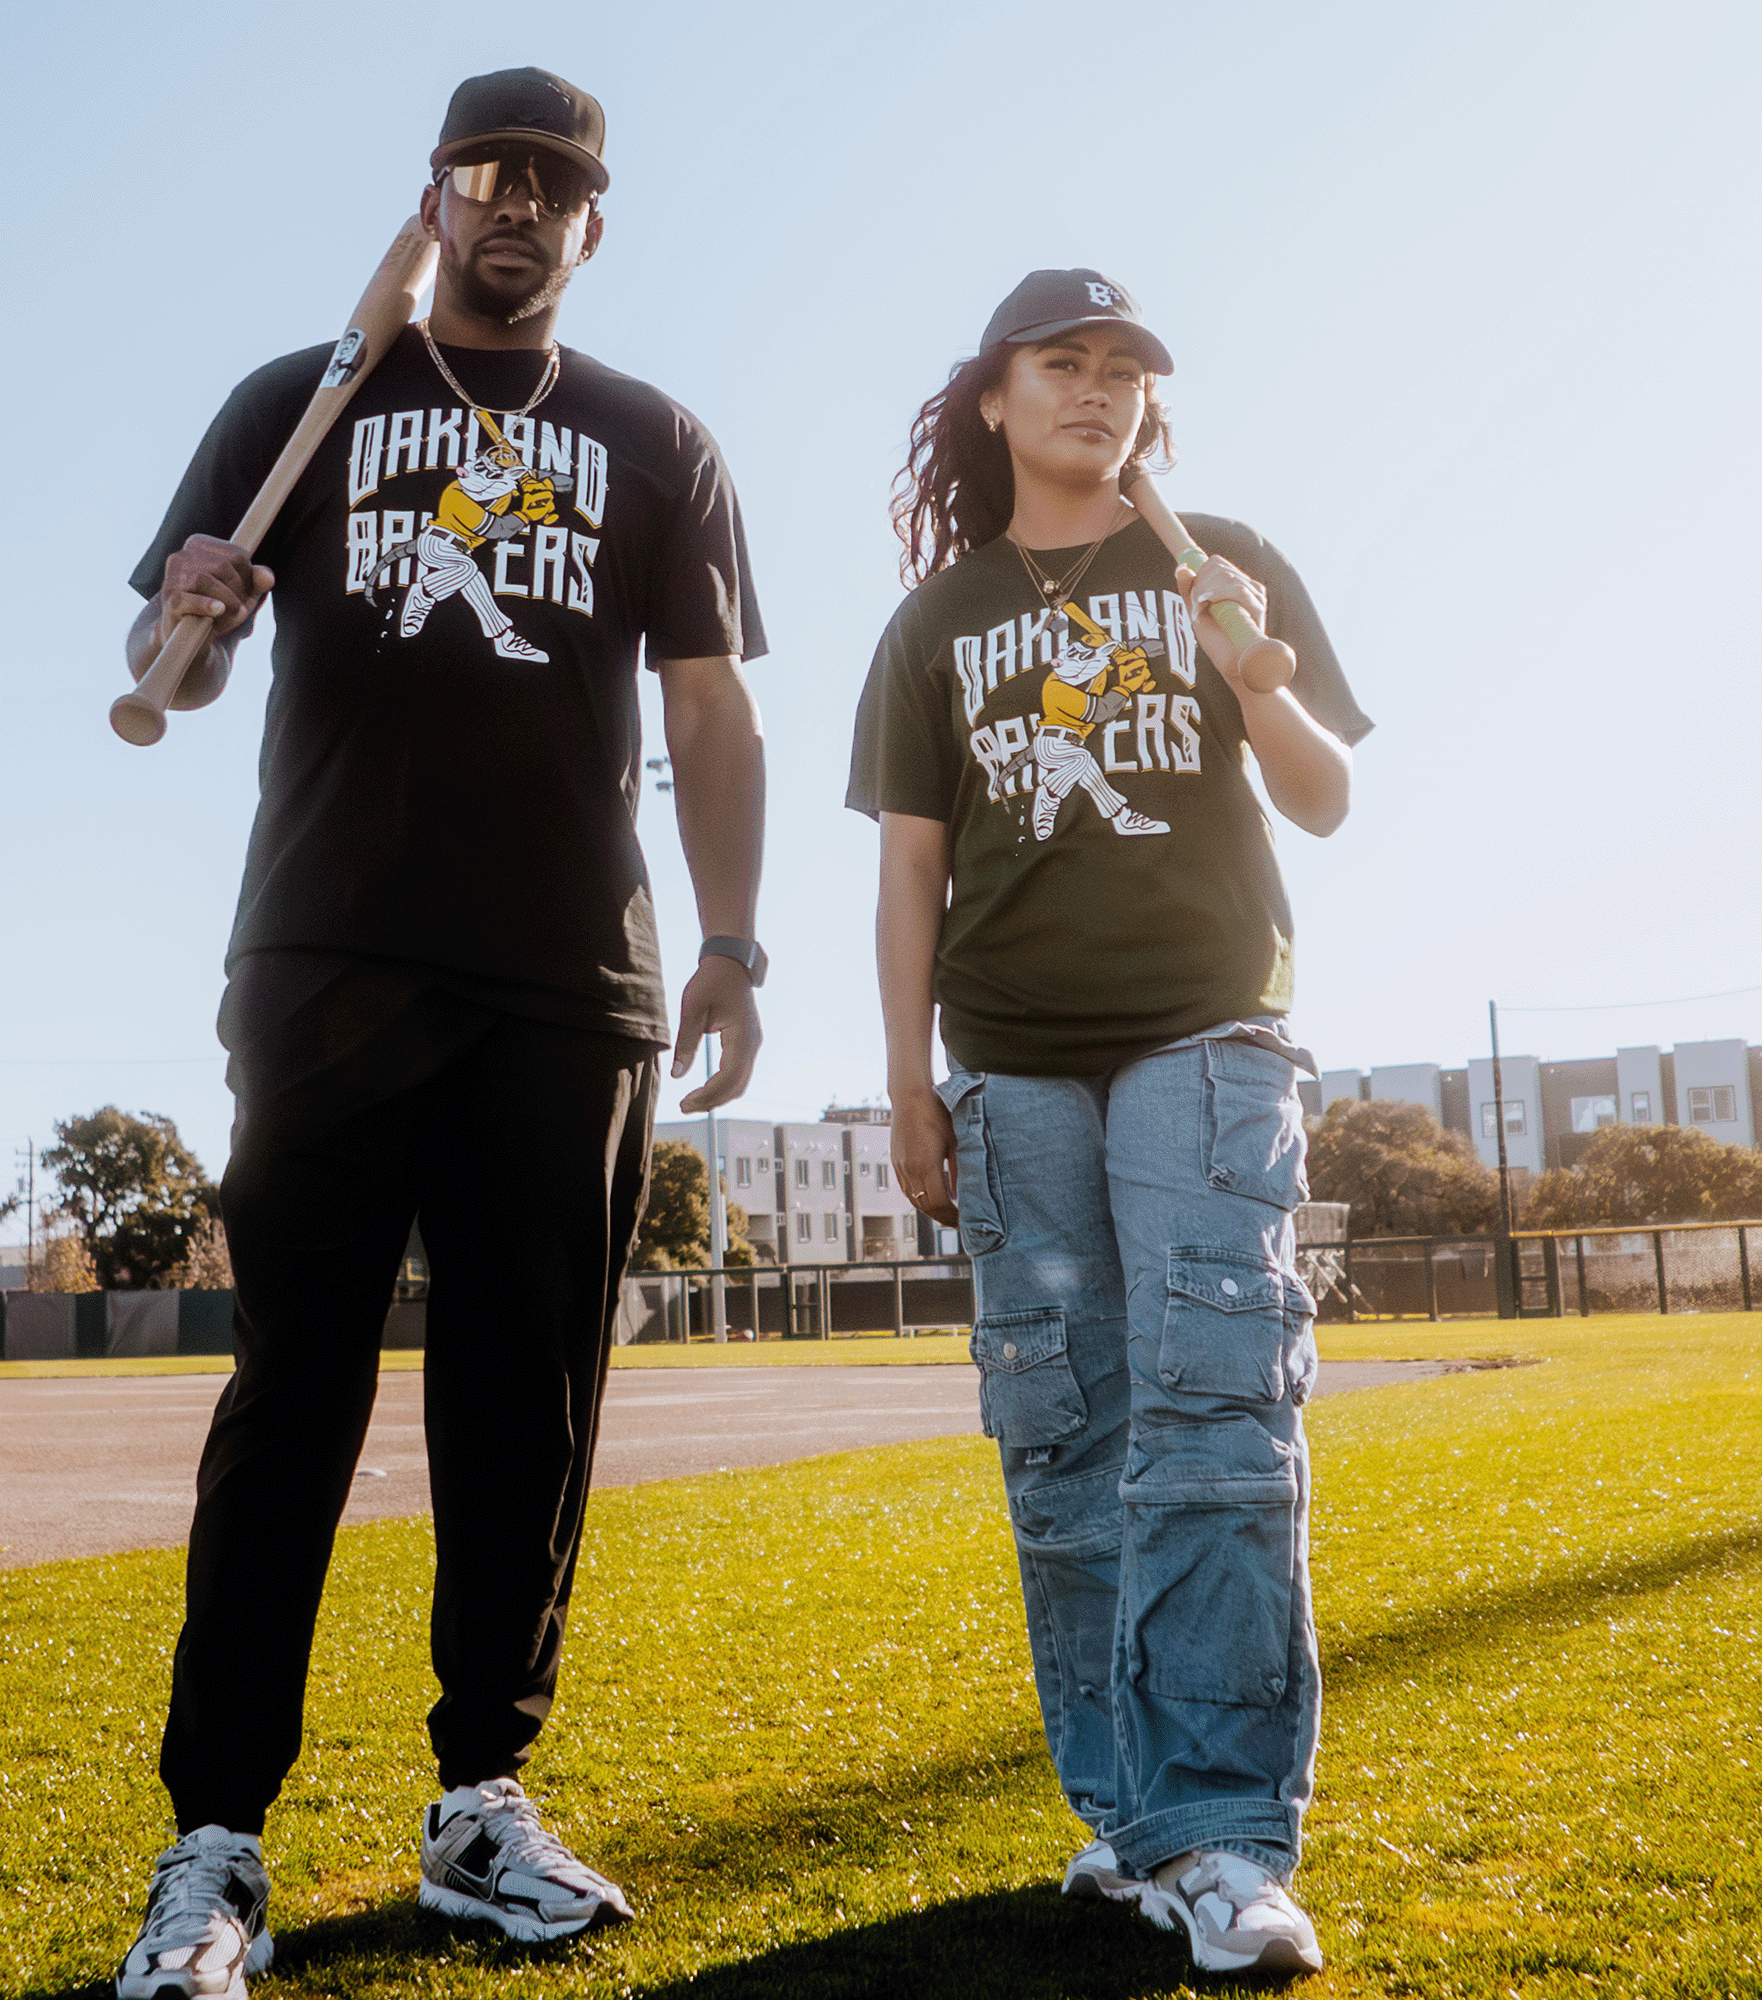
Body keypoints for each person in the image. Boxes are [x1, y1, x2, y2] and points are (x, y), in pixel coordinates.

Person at [114, 68, 769, 2000]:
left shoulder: (660, 443)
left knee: (528, 1410)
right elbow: (176, 657)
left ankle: (483, 1797)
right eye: (489, 175)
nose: (518, 207)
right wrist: (205, 613)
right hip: (326, 956)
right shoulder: (297, 401)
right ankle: (213, 1844)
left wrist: (732, 938)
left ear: (593, 225)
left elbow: (714, 713)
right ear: (437, 196)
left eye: (553, 185)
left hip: (572, 980)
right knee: (291, 1399)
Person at [845, 270, 1372, 1978]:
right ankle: (1129, 1819)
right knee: (1065, 1449)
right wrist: (910, 1086)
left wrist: (1253, 668)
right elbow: (911, 868)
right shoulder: (937, 622)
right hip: (1006, 1060)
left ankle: (1223, 1835)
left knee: (1213, 1418)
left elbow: (1325, 797)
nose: (1099, 390)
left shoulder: (1222, 558)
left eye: (1127, 368)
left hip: (1206, 1031)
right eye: (1061, 365)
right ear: (992, 397)